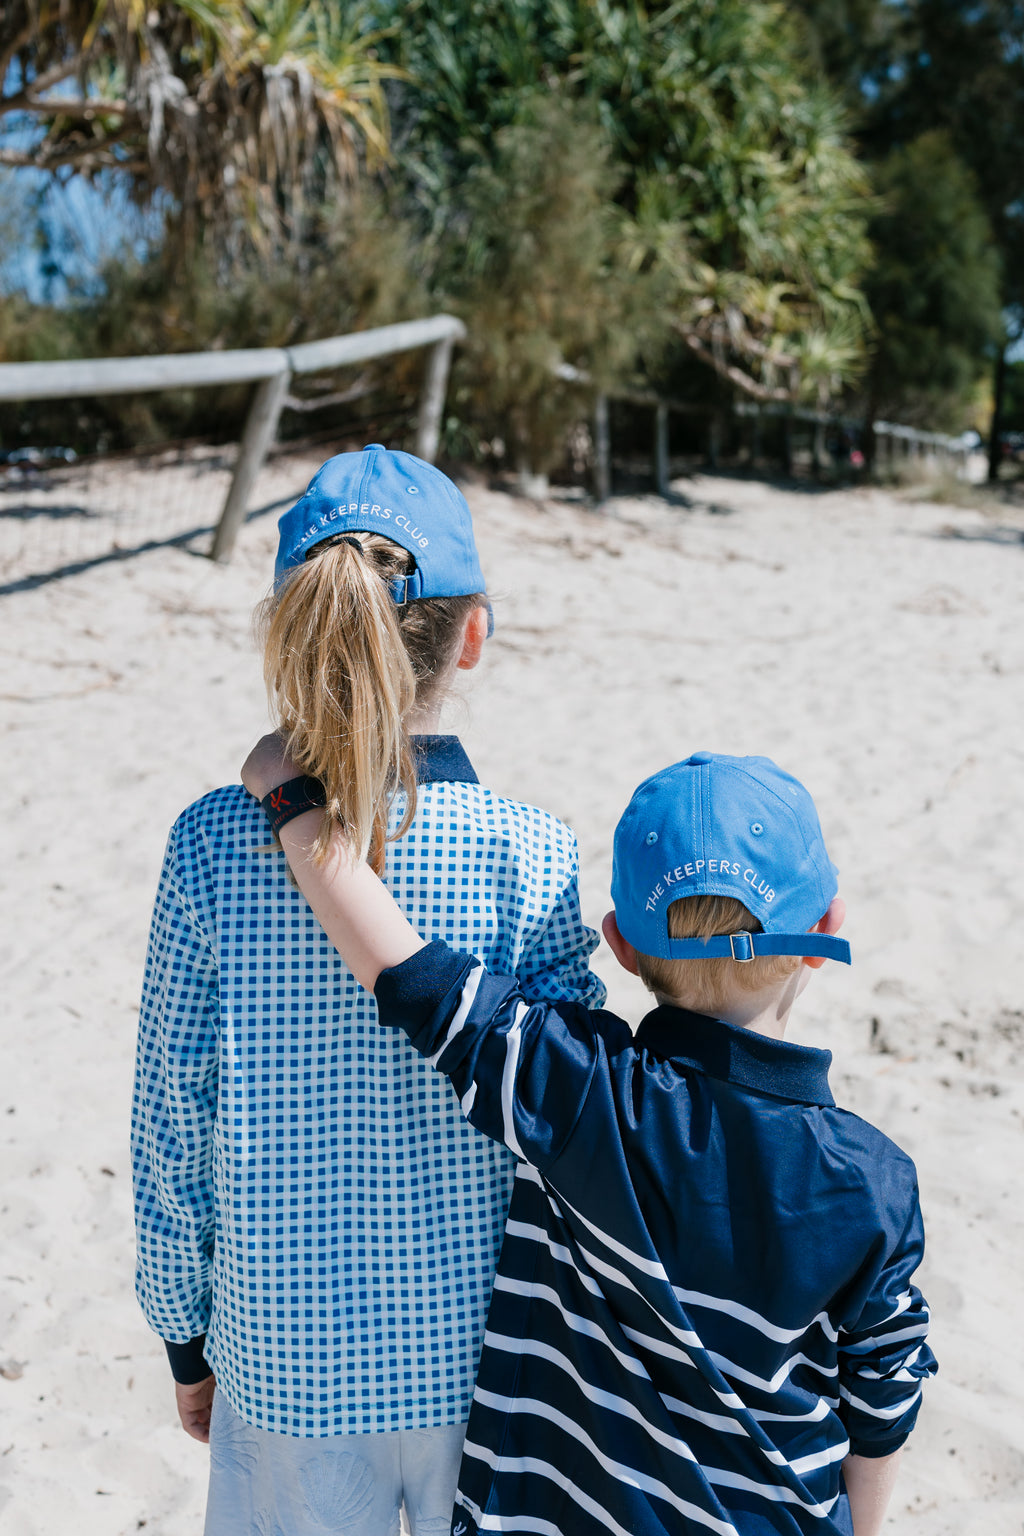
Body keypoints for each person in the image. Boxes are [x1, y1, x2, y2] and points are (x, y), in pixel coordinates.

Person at [240, 746, 937, 1536]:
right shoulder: (873, 1185)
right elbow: (885, 1395)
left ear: (622, 945)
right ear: (825, 932)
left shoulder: (580, 1089)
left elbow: (409, 975)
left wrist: (296, 802)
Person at [132, 444, 606, 1536]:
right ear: (472, 635)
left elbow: (170, 1116)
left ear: (291, 637)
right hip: (486, 1364)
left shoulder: (211, 846)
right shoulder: (528, 855)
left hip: (286, 1360)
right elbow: (564, 1114)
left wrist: (183, 1334)